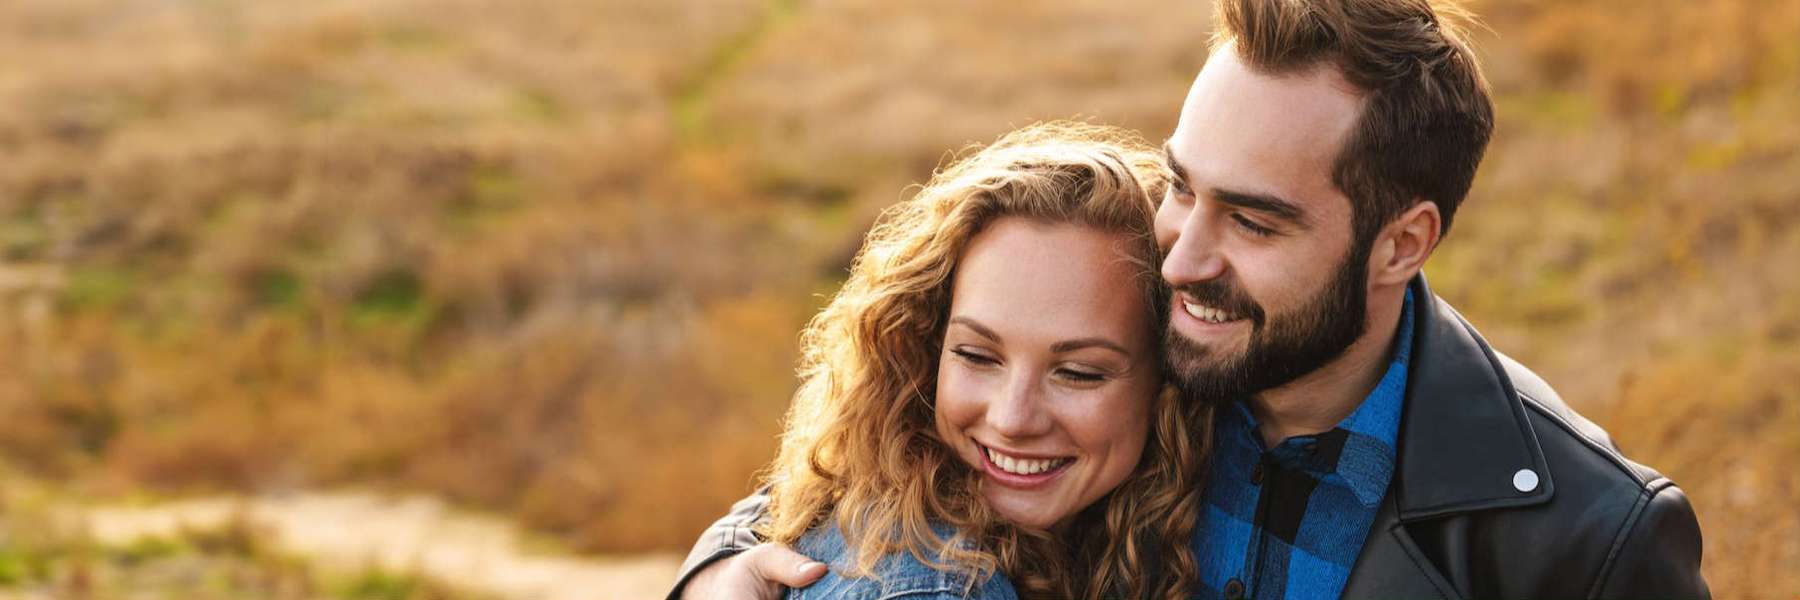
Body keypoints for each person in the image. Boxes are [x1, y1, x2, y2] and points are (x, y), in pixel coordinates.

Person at [672, 1, 1711, 598]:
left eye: (1254, 223)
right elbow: (891, 464)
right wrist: (715, 570)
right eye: (1181, 187)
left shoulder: (1584, 538)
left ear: (1403, 243)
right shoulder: (1143, 345)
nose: (1180, 257)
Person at [748, 122, 1211, 600]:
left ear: (1169, 378)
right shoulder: (932, 587)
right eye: (977, 356)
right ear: (925, 351)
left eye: (1077, 373)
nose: (1012, 419)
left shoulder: (1132, 532)